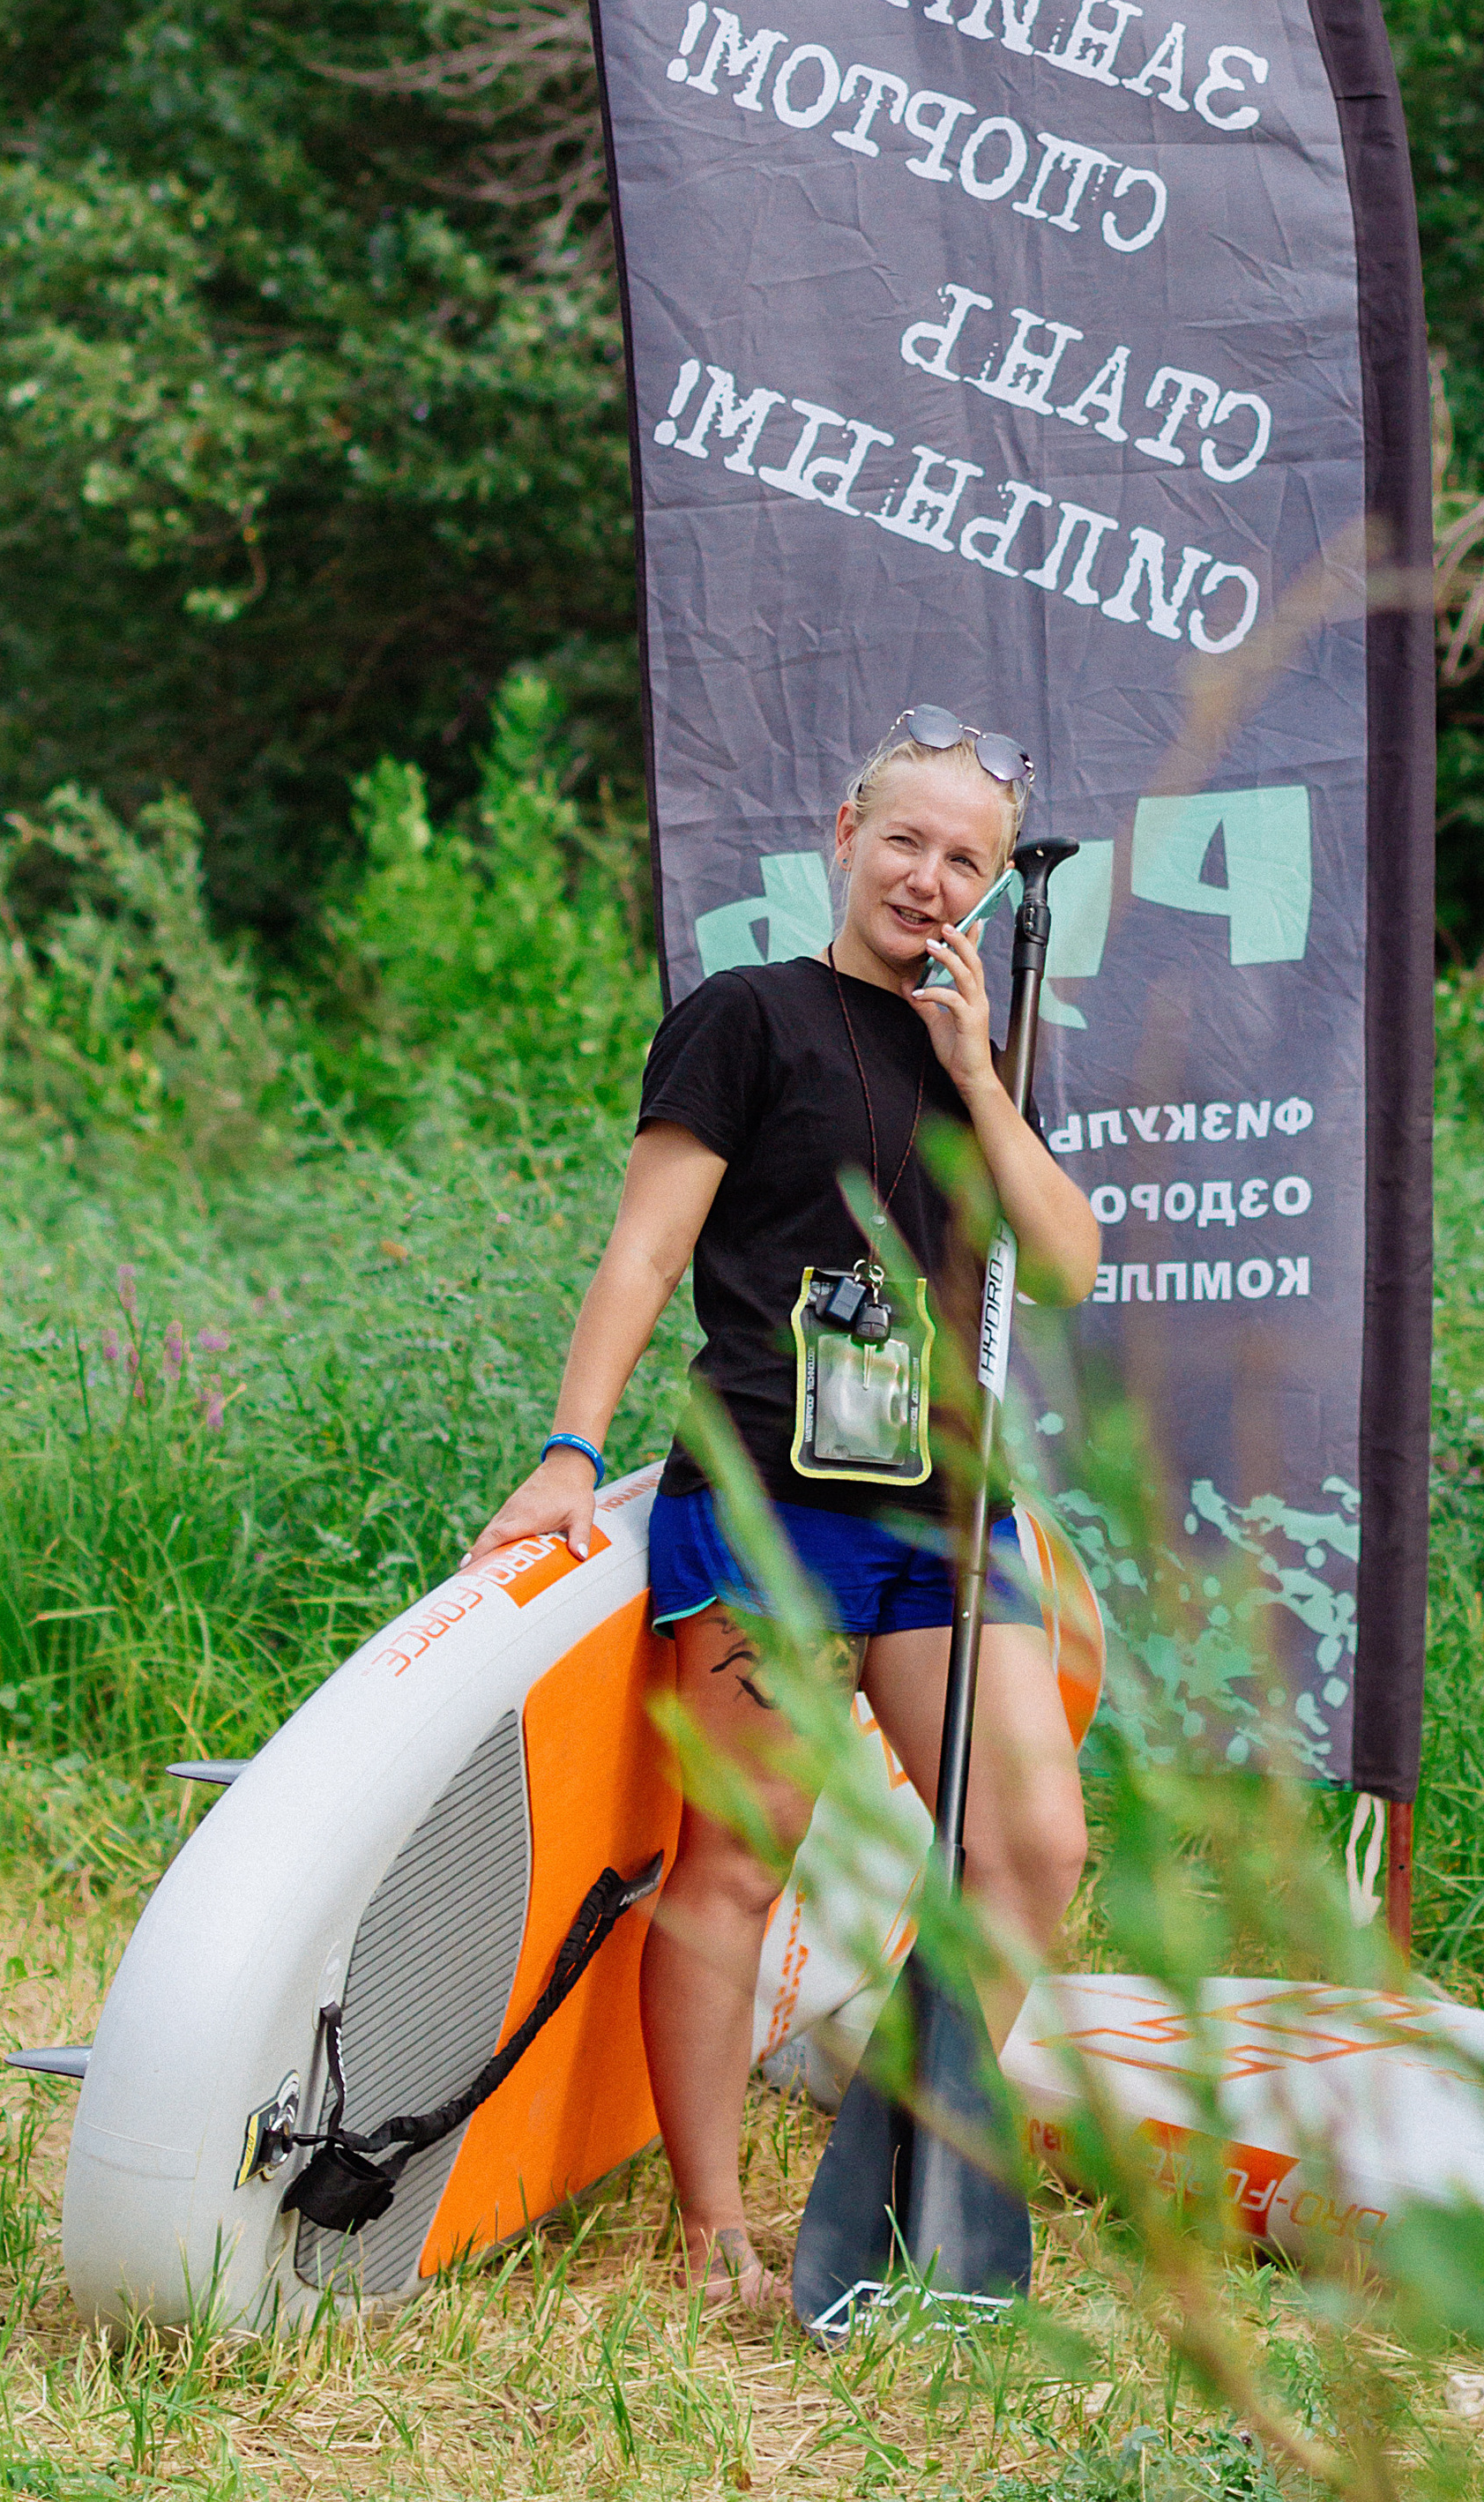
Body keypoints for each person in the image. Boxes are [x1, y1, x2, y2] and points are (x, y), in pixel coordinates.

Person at [466, 709, 1100, 2309]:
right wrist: (564, 1446)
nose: (930, 878)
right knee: (742, 1860)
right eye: (906, 841)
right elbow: (645, 1255)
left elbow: (1071, 1267)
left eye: (966, 859)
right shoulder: (744, 1017)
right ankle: (711, 2231)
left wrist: (977, 1072)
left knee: (1031, 1844)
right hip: (765, 1495)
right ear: (844, 830)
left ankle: (890, 2154)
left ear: (993, 882)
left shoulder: (987, 1051)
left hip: (945, 1511)